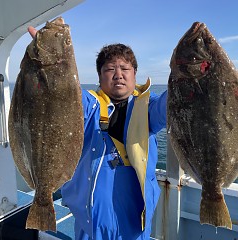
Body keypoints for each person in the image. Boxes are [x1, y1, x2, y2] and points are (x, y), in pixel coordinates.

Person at [28, 27, 167, 240]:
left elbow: (172, 105)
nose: (118, 74)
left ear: (134, 74)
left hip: (136, 228)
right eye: (110, 69)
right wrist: (50, 61)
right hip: (89, 227)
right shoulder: (88, 104)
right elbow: (62, 94)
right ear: (100, 76)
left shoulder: (149, 105)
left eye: (125, 68)